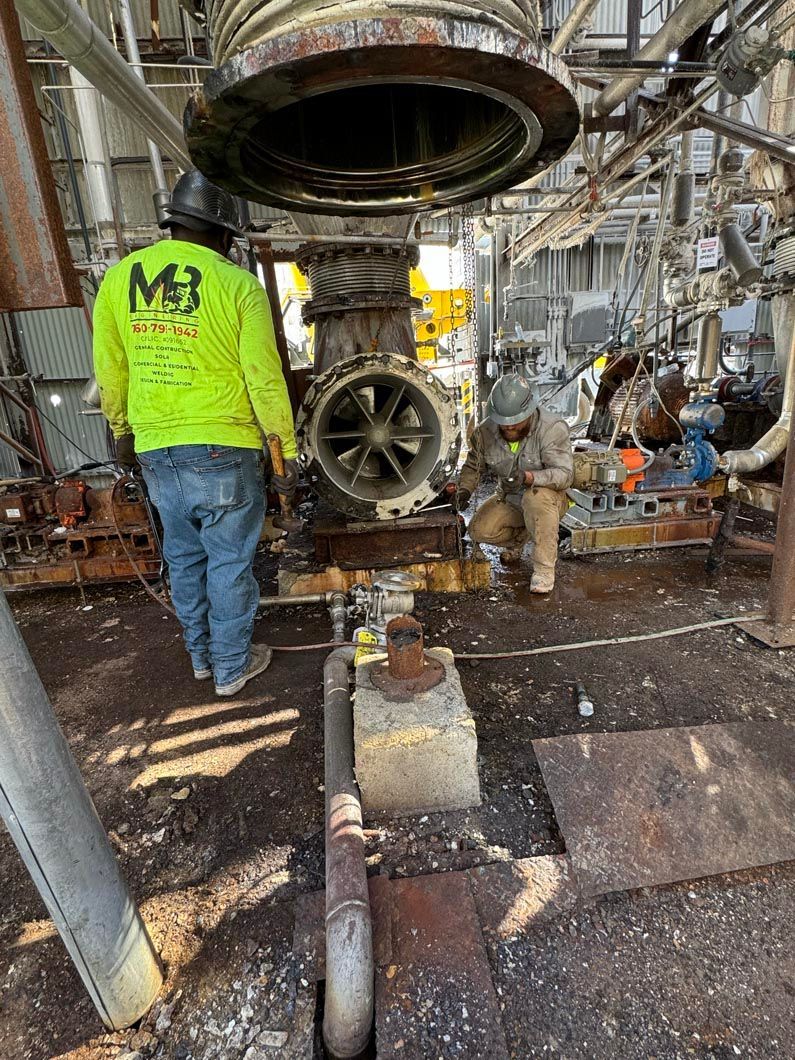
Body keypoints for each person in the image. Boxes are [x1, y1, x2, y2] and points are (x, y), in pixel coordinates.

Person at [93, 169, 297, 696]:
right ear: (227, 236)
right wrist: (284, 455)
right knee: (229, 561)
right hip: (222, 448)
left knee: (184, 558)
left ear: (174, 223)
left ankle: (202, 660)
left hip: (156, 448)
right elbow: (264, 380)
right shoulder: (238, 286)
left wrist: (122, 432)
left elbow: (111, 371)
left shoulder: (120, 279)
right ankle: (231, 668)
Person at [446, 373, 573, 593]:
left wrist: (530, 477)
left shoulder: (551, 429)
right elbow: (473, 467)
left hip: (548, 498)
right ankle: (519, 539)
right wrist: (464, 490)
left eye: (515, 423)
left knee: (535, 499)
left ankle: (544, 569)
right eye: (503, 424)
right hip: (510, 496)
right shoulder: (484, 433)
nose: (509, 428)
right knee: (479, 530)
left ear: (529, 411)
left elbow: (565, 474)